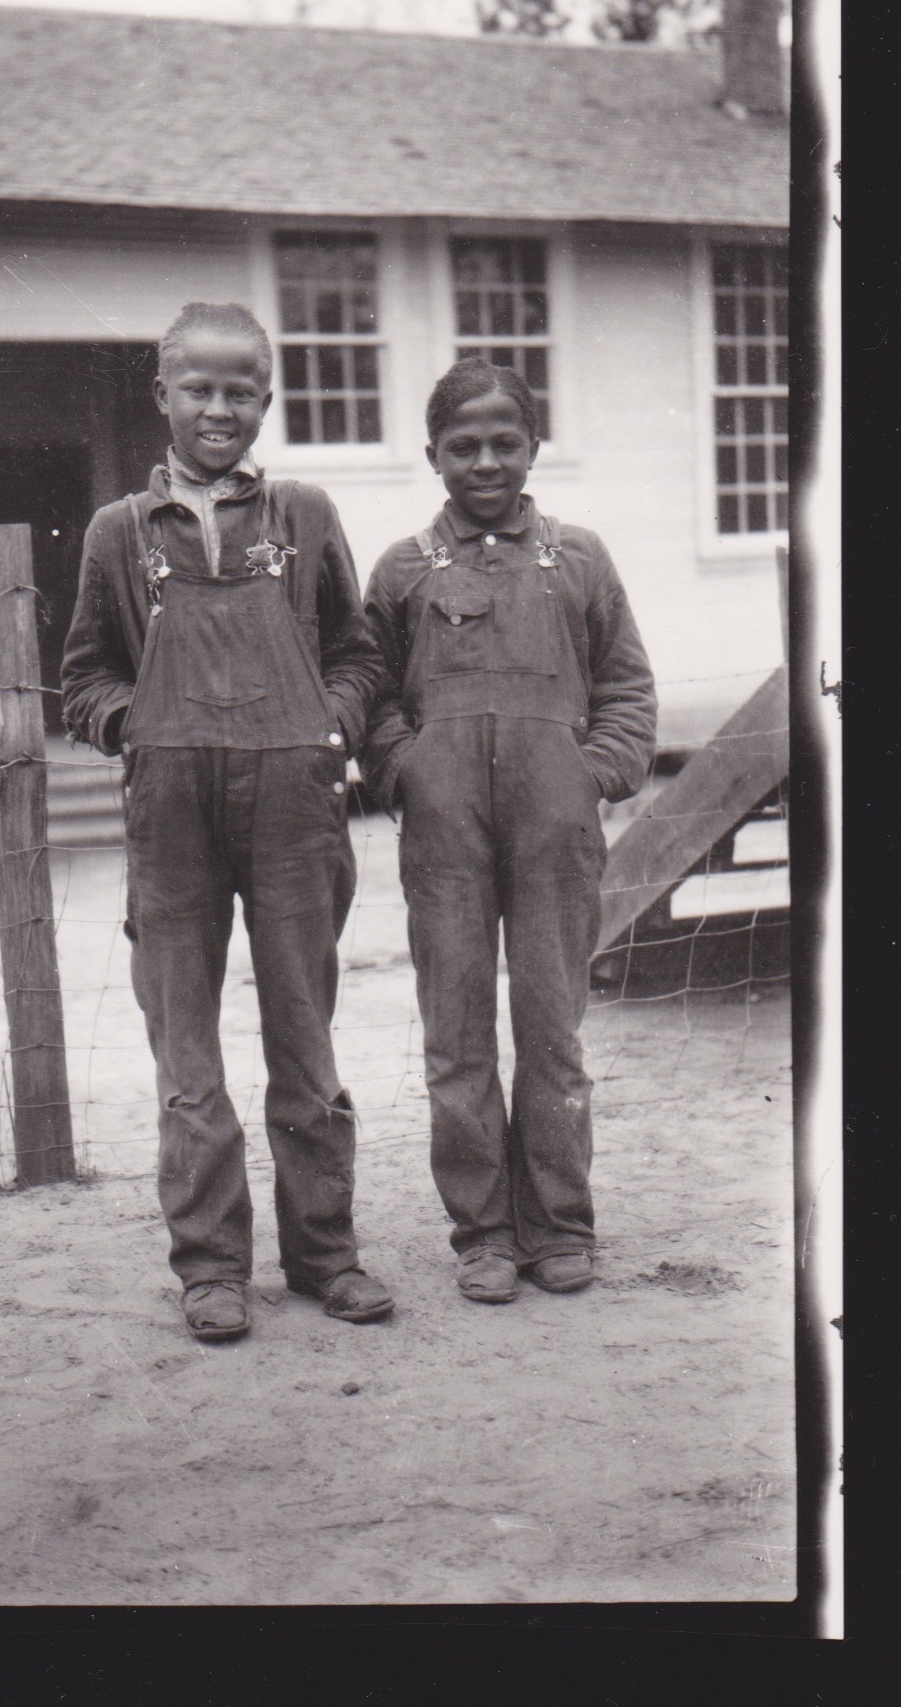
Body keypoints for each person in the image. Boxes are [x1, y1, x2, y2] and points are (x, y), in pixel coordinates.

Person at [61, 302, 393, 1342]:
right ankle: (209, 1266)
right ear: (162, 394)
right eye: (198, 388)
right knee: (186, 1049)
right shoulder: (120, 532)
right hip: (172, 815)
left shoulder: (304, 514)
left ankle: (325, 1254)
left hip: (293, 805)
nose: (219, 407)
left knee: (304, 1031)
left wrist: (327, 727)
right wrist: (137, 726)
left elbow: (358, 655)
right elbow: (83, 678)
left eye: (239, 390)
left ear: (266, 400)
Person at [362, 360, 656, 1303]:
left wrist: (591, 775)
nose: (484, 462)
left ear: (533, 447)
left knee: (550, 1026)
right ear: (432, 456)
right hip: (443, 835)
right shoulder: (402, 568)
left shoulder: (578, 559)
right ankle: (483, 1231)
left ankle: (560, 1224)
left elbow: (626, 688)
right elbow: (368, 693)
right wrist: (405, 770)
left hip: (553, 831)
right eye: (463, 446)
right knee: (455, 1033)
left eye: (503, 443)